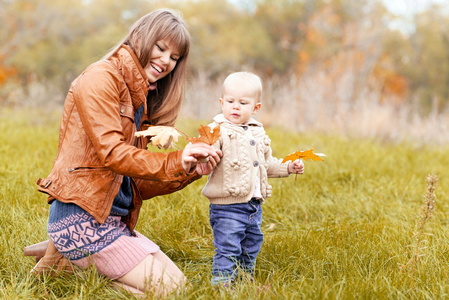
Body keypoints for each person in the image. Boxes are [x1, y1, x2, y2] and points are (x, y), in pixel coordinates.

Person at [27, 8, 222, 296]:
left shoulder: (141, 97)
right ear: (141, 37)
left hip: (113, 222)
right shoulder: (100, 77)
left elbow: (136, 183)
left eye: (174, 57)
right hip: (81, 219)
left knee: (181, 287)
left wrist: (189, 168)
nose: (166, 61)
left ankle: (63, 259)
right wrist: (173, 160)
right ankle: (68, 261)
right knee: (170, 292)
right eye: (161, 48)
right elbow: (112, 153)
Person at [201, 72, 305, 285]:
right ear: (222, 102)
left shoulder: (258, 132)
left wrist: (289, 167)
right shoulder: (217, 131)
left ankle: (244, 280)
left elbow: (266, 165)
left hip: (253, 206)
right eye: (230, 101)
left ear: (256, 108)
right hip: (227, 205)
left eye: (243, 103)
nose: (235, 107)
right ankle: (221, 285)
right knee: (229, 247)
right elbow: (206, 153)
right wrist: (203, 152)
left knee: (252, 244)